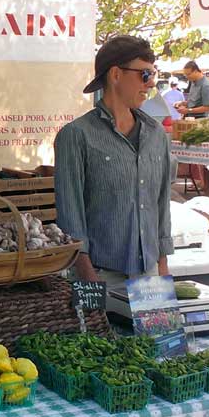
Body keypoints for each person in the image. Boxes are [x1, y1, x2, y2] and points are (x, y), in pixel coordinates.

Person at [55, 34, 174, 287]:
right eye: (144, 75)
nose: (150, 84)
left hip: (150, 274)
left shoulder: (156, 135)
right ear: (116, 75)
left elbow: (162, 204)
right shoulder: (76, 136)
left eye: (153, 75)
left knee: (153, 330)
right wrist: (89, 280)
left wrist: (162, 269)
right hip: (100, 274)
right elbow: (70, 215)